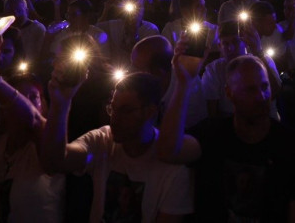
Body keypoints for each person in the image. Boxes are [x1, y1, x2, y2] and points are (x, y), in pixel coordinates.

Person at [158, 50, 295, 222]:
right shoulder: (211, 136)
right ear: (229, 93)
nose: (261, 97)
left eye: (264, 87)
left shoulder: (294, 147)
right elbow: (168, 151)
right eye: (250, 89)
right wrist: (183, 83)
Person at [41, 55, 193, 222]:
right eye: (112, 108)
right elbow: (55, 163)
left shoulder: (173, 170)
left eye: (125, 110)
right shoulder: (103, 139)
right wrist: (61, 103)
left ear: (150, 112)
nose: (114, 119)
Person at [0, 38, 66, 223]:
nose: (25, 102)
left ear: (43, 105)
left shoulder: (50, 143)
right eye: (16, 96)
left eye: (32, 97)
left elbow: (32, 119)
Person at [201, 20, 282, 120]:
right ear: (220, 46)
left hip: (265, 119)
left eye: (235, 42)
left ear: (245, 42)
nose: (230, 48)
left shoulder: (263, 60)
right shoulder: (213, 69)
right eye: (225, 44)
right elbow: (212, 113)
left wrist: (259, 53)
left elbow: (275, 92)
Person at [97, 0, 159, 65]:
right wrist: (106, 10)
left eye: (138, 7)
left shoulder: (150, 29)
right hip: (117, 69)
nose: (135, 11)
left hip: (139, 71)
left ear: (143, 10)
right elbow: (95, 29)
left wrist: (134, 31)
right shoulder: (114, 25)